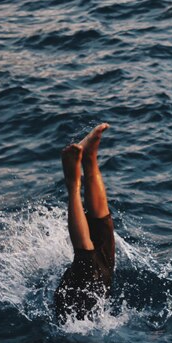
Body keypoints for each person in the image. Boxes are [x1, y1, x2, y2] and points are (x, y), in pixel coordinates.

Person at [54, 123, 115, 323]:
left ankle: (83, 166)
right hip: (82, 302)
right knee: (101, 231)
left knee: (90, 254)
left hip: (74, 301)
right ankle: (88, 159)